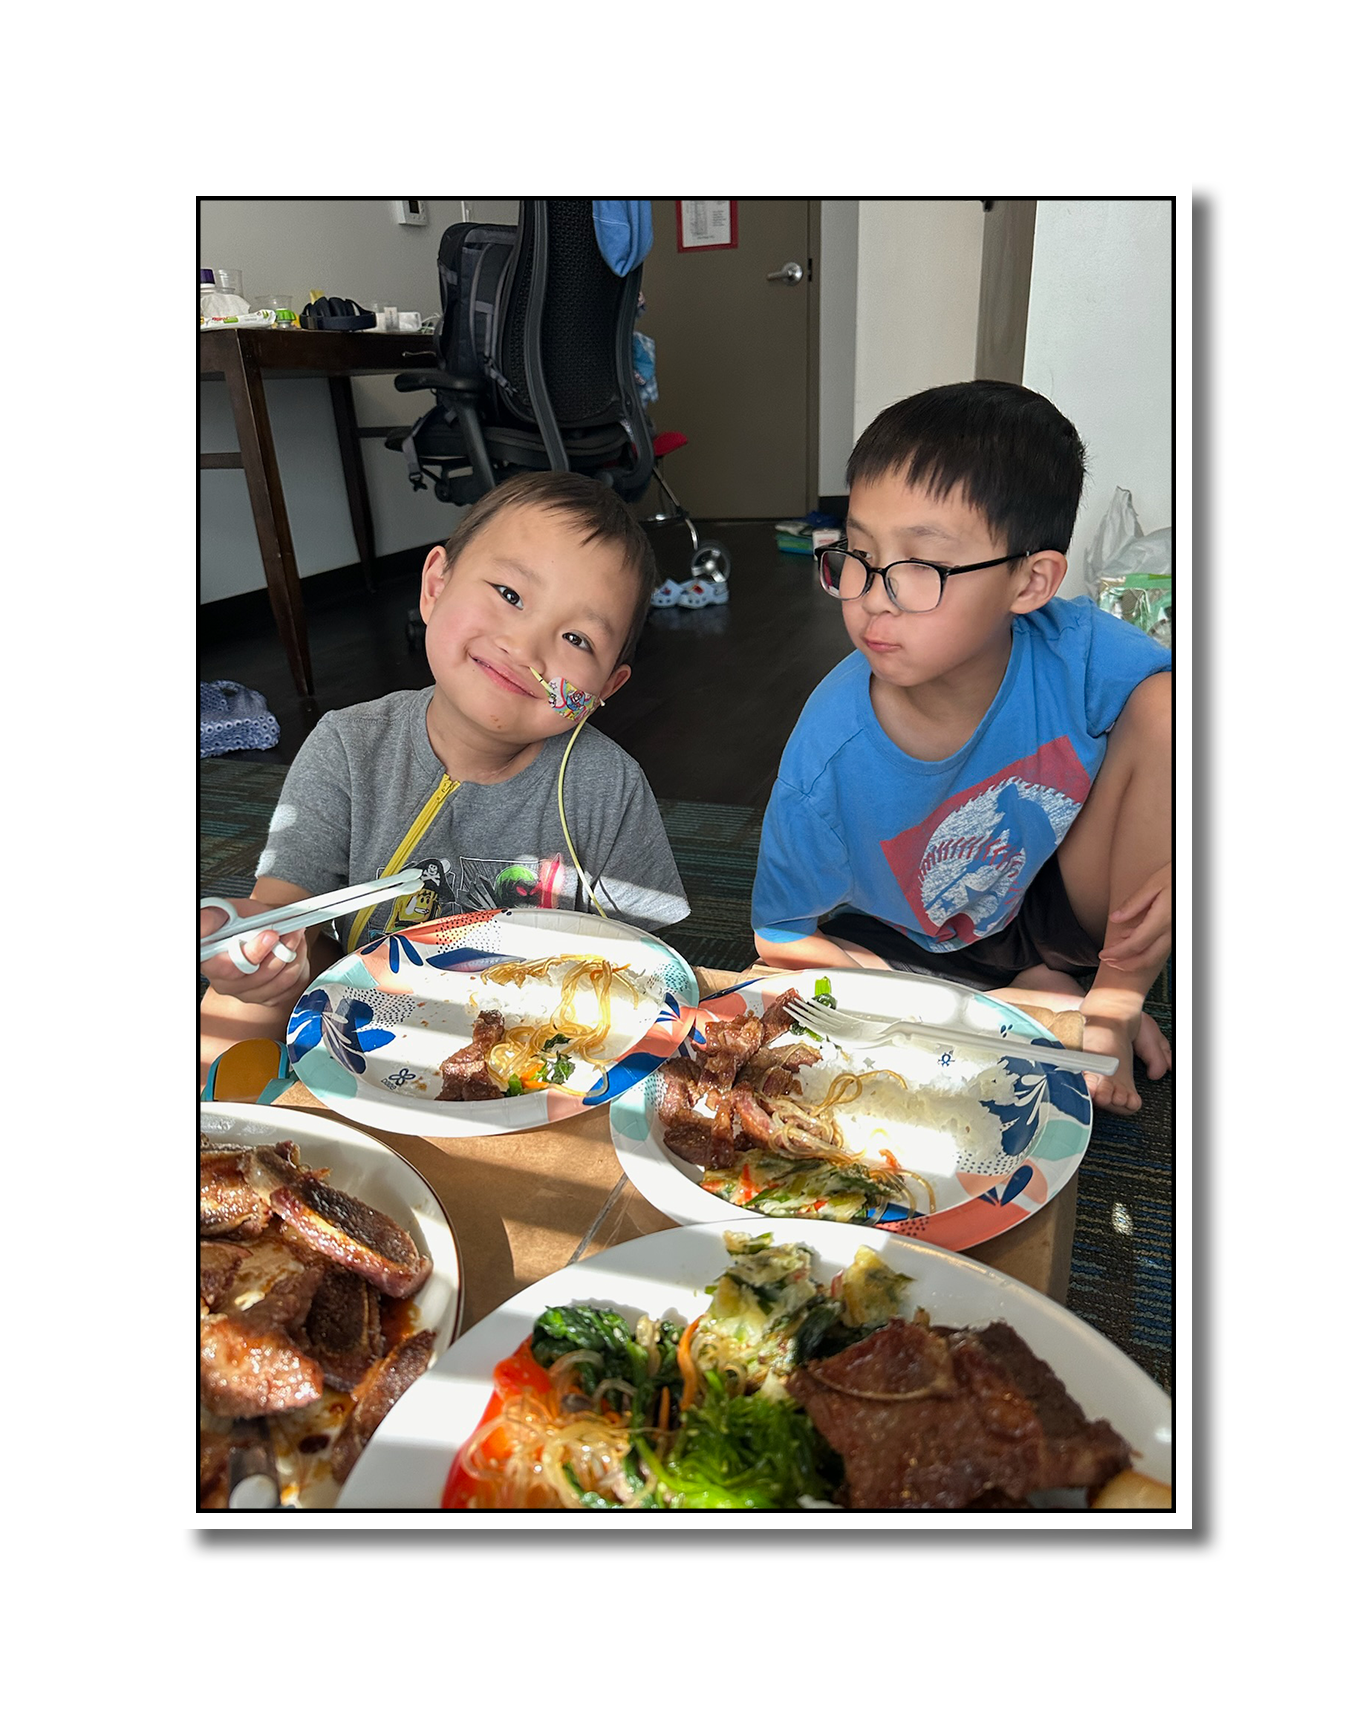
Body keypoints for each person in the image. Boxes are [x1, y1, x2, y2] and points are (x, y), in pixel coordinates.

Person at [750, 382, 1172, 1113]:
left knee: (1166, 712)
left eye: (922, 564)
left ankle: (1105, 1001)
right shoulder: (827, 752)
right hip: (897, 940)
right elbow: (779, 940)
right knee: (783, 992)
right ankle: (1020, 999)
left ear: (1030, 582)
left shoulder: (1077, 652)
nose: (872, 594)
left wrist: (1128, 972)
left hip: (1037, 902)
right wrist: (962, 1011)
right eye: (858, 553)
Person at [201, 470, 689, 1083]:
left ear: (604, 689)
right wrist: (267, 957)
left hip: (534, 1042)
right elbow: (285, 914)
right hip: (357, 1021)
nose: (525, 646)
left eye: (576, 638)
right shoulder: (348, 745)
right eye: (510, 594)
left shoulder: (608, 786)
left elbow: (646, 969)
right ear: (436, 585)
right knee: (231, 1009)